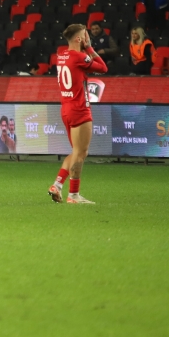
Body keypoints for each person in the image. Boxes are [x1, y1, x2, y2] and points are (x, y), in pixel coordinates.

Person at [50, 24, 107, 204]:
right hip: (79, 108)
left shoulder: (61, 56)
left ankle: (57, 185)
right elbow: (103, 68)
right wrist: (89, 48)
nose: (87, 38)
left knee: (76, 152)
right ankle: (73, 195)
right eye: (85, 36)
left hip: (66, 108)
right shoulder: (79, 57)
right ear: (79, 39)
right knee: (81, 152)